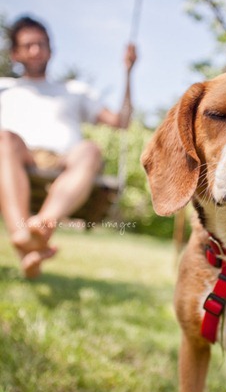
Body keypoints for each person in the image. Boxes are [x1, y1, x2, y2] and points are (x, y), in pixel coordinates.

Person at [0, 15, 137, 278]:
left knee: (91, 149)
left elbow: (122, 122)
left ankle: (38, 228)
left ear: (51, 49)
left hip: (65, 163)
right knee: (5, 138)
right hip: (16, 157)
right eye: (28, 45)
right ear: (15, 54)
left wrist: (128, 73)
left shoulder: (75, 90)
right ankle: (23, 238)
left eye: (42, 44)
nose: (36, 50)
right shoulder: (5, 88)